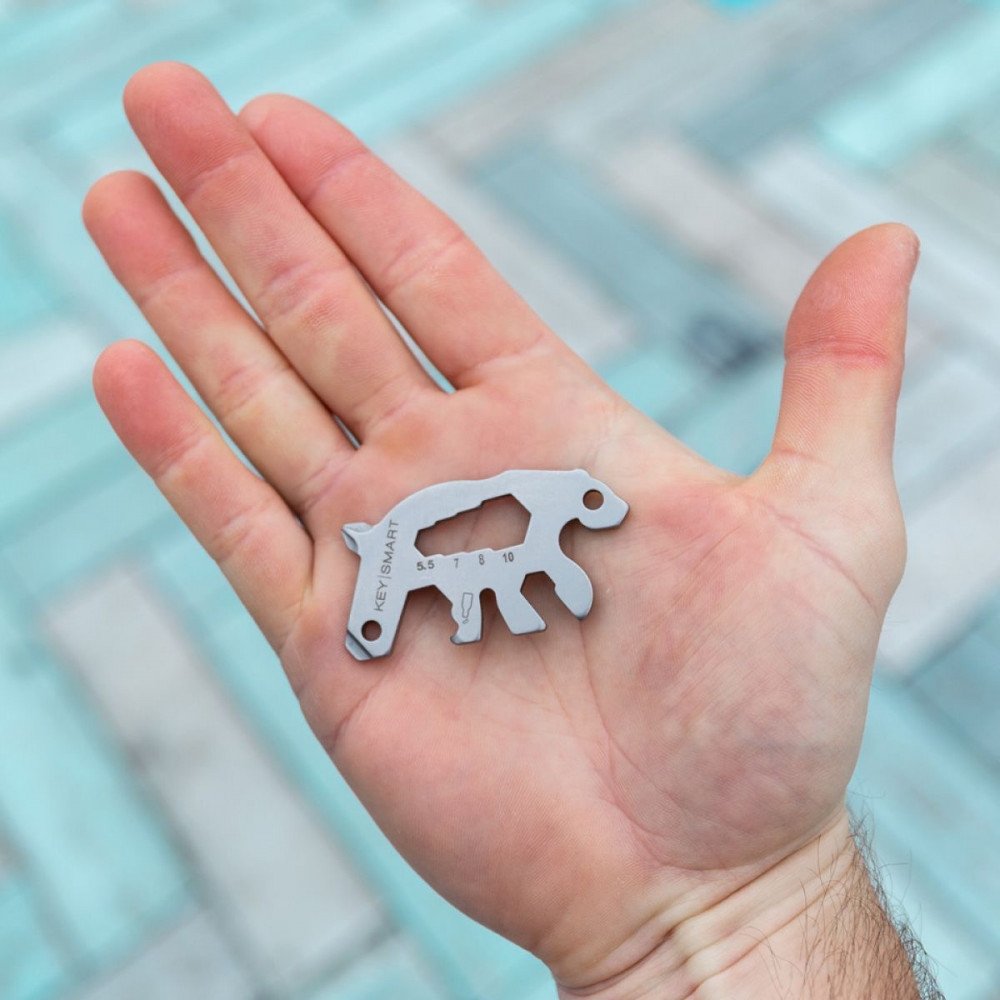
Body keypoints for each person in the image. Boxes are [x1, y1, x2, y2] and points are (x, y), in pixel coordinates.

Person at [83, 62, 942, 999]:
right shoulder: (491, 532)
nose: (594, 517)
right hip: (428, 552)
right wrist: (761, 914)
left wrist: (752, 906)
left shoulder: (540, 528)